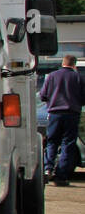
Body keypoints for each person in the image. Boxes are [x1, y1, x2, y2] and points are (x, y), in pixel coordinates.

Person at [39, 54, 84, 186]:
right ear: (74, 65)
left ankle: (47, 169)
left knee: (52, 141)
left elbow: (43, 95)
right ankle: (61, 176)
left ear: (62, 63)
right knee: (68, 144)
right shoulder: (78, 78)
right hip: (72, 114)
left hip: (54, 114)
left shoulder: (52, 76)